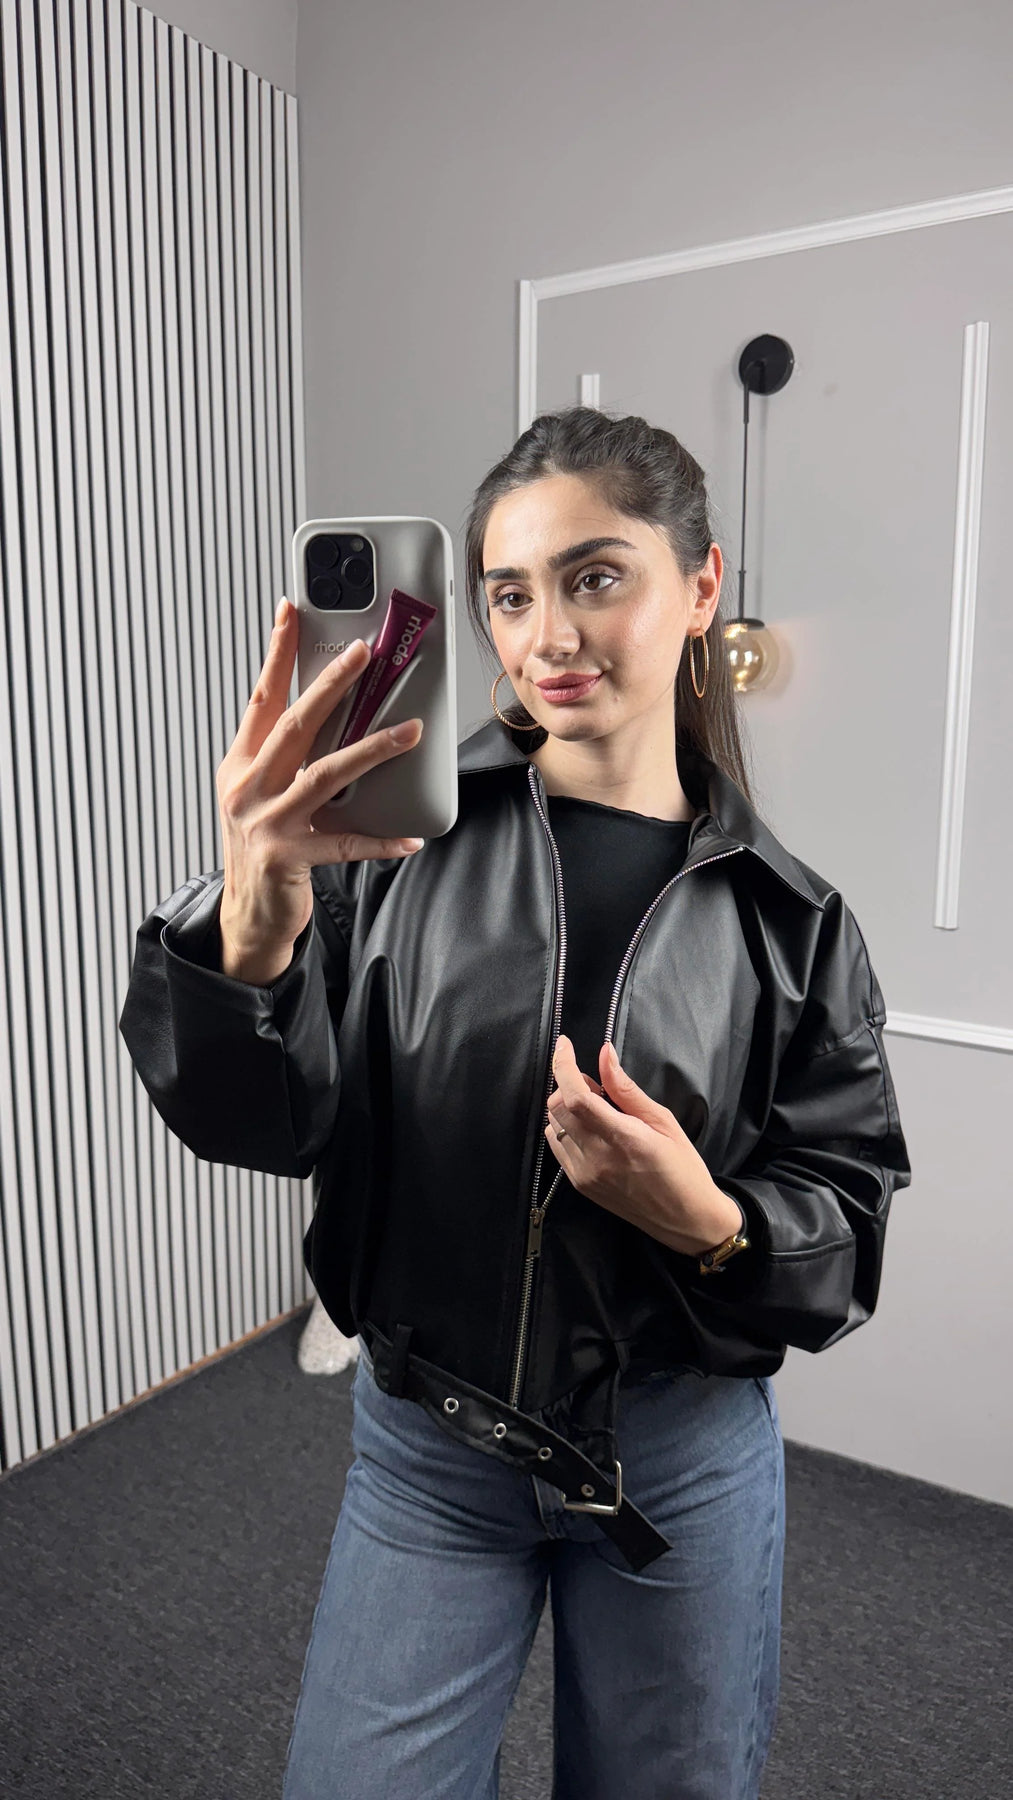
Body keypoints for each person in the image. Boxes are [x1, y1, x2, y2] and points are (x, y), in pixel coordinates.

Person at [119, 406, 912, 1800]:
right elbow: (261, 1127)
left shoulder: (794, 924)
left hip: (681, 1462)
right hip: (429, 1454)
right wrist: (252, 922)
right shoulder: (381, 848)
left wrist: (707, 1221)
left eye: (594, 576)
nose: (549, 635)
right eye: (508, 593)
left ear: (701, 588)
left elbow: (842, 1240)